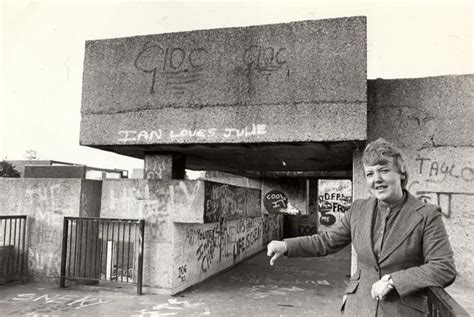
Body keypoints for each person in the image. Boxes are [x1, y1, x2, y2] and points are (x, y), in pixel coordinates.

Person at [266, 138, 456, 316]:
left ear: (401, 173)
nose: (377, 179)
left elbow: (443, 267)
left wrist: (393, 281)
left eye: (384, 170)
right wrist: (286, 246)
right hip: (358, 307)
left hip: (401, 311)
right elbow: (327, 241)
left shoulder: (427, 215)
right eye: (370, 174)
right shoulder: (358, 209)